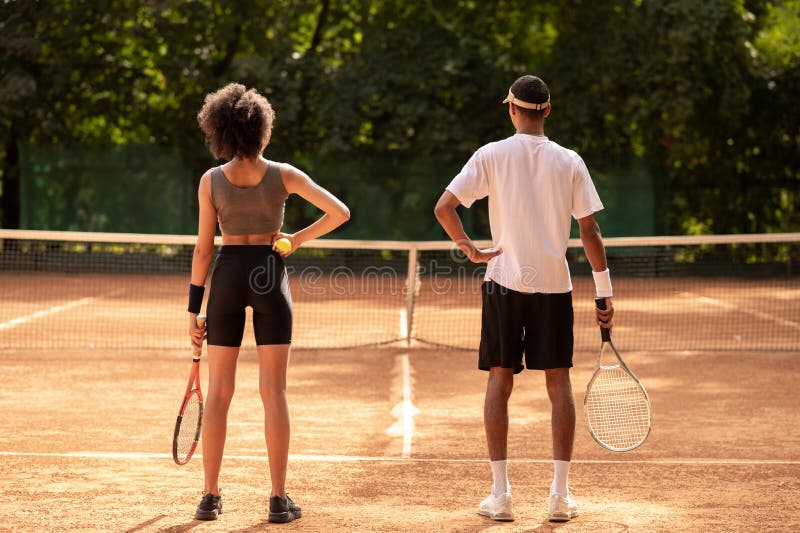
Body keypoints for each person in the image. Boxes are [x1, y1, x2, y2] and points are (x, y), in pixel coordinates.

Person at [434, 75, 613, 523]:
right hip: (555, 286)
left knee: (499, 380)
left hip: (502, 283)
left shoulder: (490, 154)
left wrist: (470, 248)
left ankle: (501, 495)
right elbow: (589, 230)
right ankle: (560, 496)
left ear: (512, 110)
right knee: (559, 384)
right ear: (547, 110)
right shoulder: (570, 161)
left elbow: (444, 207)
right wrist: (604, 292)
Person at [187, 83, 350, 523]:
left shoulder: (211, 180)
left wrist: (193, 310)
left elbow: (204, 250)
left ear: (219, 130)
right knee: (273, 392)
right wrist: (295, 239)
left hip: (226, 277)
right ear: (262, 129)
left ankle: (209, 497)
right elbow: (340, 213)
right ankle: (278, 499)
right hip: (268, 273)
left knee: (219, 395)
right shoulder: (284, 174)